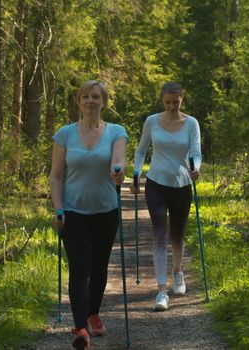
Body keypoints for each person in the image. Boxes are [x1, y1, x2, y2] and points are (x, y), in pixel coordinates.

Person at [49, 80, 127, 350]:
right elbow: (56, 176)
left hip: (106, 210)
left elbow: (120, 157)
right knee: (79, 267)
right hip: (73, 210)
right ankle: (80, 327)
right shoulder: (65, 134)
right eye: (85, 97)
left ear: (103, 102)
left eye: (96, 97)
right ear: (79, 102)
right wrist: (58, 208)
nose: (91, 101)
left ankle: (94, 312)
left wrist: (118, 169)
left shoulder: (116, 131)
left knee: (99, 266)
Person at [130, 82, 201, 311]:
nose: (171, 106)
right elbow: (141, 150)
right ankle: (161, 291)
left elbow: (196, 152)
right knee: (159, 235)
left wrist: (196, 167)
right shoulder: (152, 121)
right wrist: (136, 173)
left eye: (176, 102)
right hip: (156, 185)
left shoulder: (191, 123)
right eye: (168, 102)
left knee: (177, 235)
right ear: (162, 100)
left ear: (182, 100)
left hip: (181, 184)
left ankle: (178, 272)